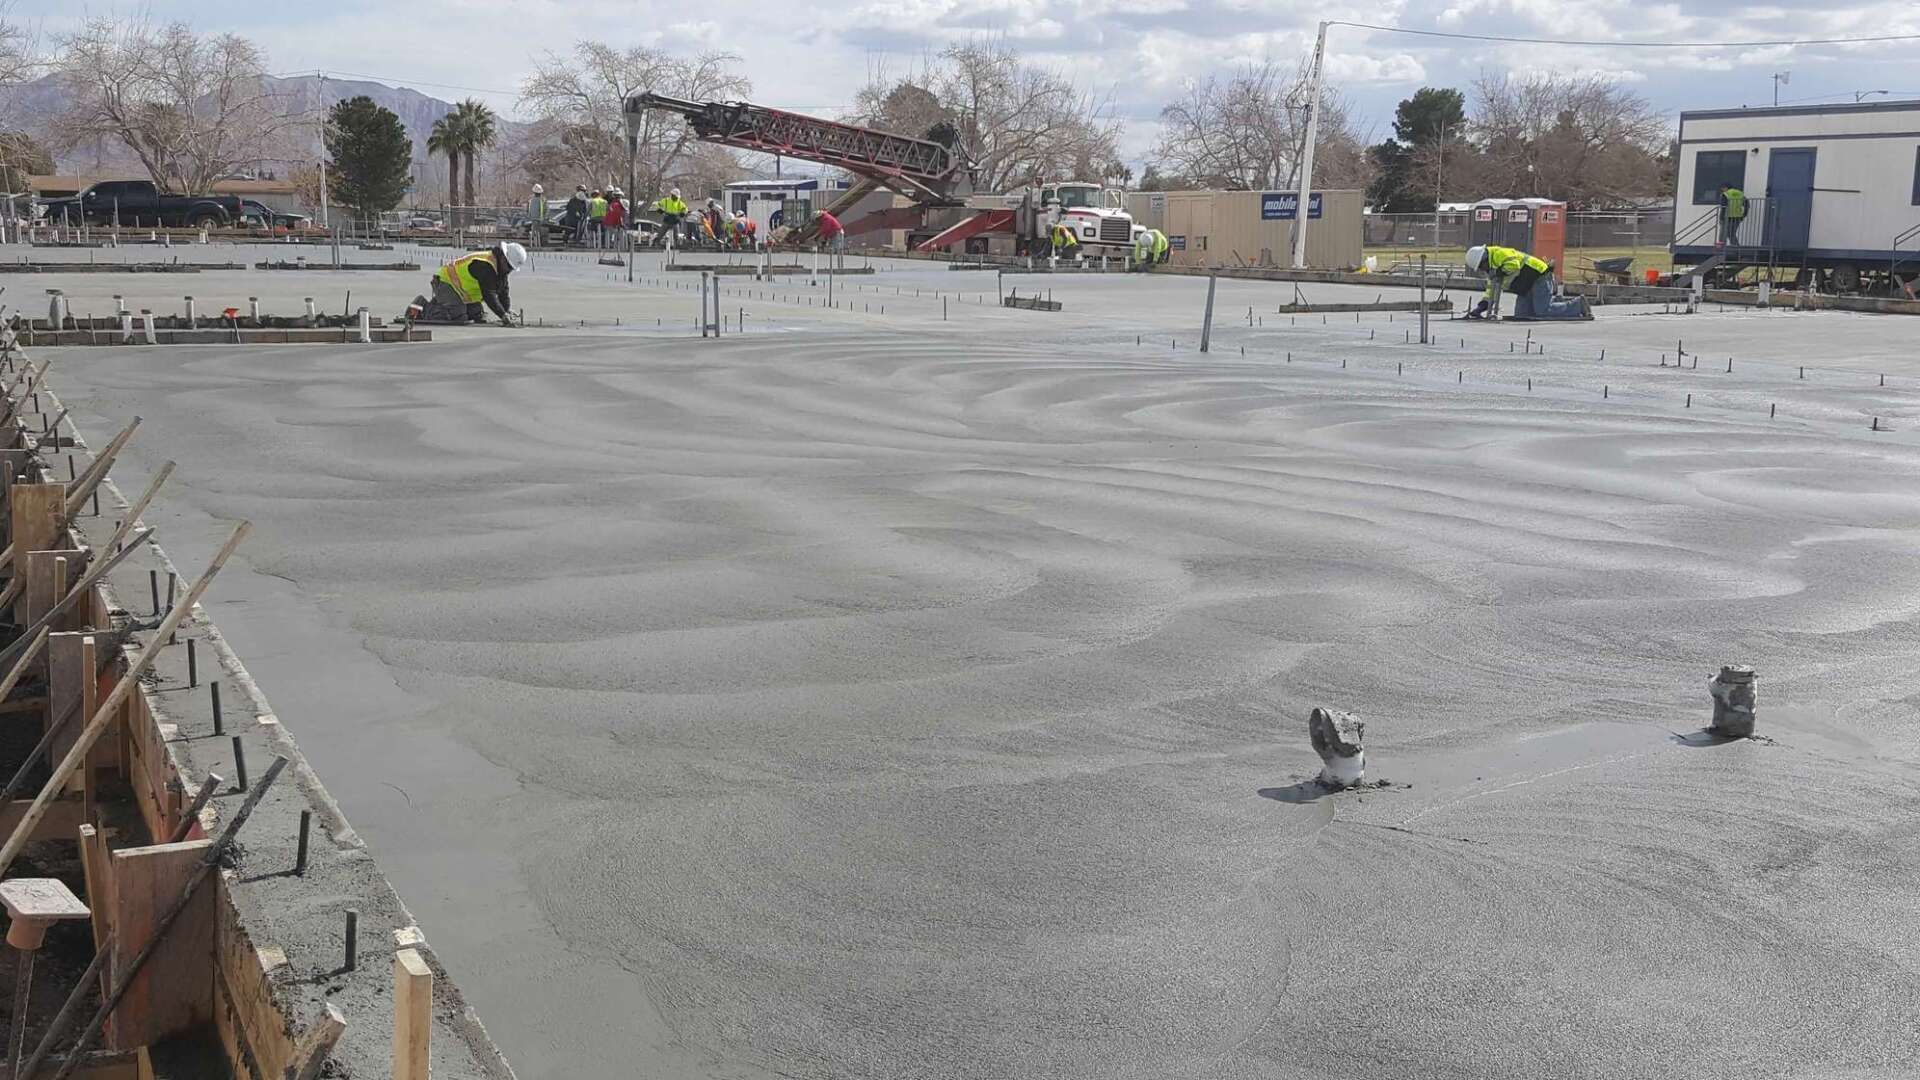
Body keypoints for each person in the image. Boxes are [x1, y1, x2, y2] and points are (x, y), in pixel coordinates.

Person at [1465, 244, 1590, 321]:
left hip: (1538, 277)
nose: (1483, 270)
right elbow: (1491, 286)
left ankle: (1578, 305)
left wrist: (1499, 272)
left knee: (1543, 311)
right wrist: (1482, 306)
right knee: (1522, 315)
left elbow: (1514, 265)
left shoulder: (1499, 254)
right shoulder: (1492, 266)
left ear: (1484, 259)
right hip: (1525, 286)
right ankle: (1554, 301)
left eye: (1481, 267)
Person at [415, 241, 527, 325]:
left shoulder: (500, 268)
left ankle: (441, 304)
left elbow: (503, 290)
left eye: (511, 268)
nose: (509, 270)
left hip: (459, 291)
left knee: (475, 314)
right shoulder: (485, 266)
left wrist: (506, 310)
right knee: (458, 316)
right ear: (503, 257)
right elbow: (489, 294)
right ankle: (422, 307)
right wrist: (502, 315)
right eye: (508, 266)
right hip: (445, 282)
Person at [1717, 182, 1746, 246]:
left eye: (1722, 188)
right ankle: (1736, 248)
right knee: (1731, 234)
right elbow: (1747, 205)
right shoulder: (1740, 194)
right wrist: (1743, 215)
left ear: (1726, 188)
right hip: (1737, 218)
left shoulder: (1726, 194)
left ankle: (1720, 250)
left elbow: (1723, 207)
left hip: (1727, 217)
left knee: (1722, 234)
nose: (1722, 190)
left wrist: (1721, 218)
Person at [527, 184, 548, 248]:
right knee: (539, 232)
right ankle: (538, 244)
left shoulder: (530, 200)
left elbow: (528, 210)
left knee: (535, 231)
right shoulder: (543, 200)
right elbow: (545, 209)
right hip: (540, 219)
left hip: (533, 218)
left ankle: (534, 243)